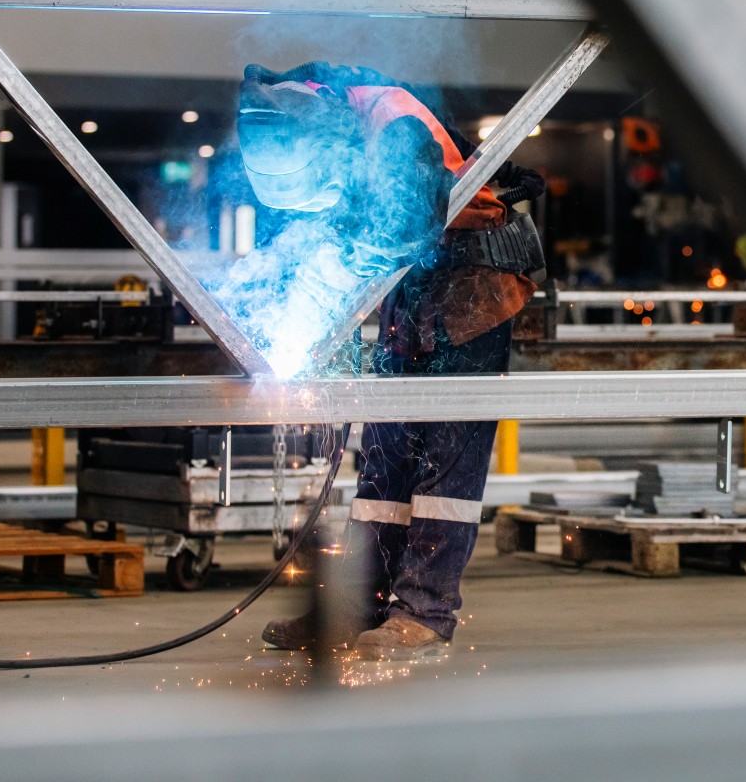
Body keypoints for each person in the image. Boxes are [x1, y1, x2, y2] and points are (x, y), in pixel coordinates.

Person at [234, 61, 545, 661]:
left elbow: (393, 232)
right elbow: (335, 230)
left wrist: (321, 303)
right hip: (411, 282)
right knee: (385, 453)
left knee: (443, 456)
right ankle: (359, 606)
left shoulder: (396, 127)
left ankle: (425, 614)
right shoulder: (321, 118)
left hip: (473, 284)